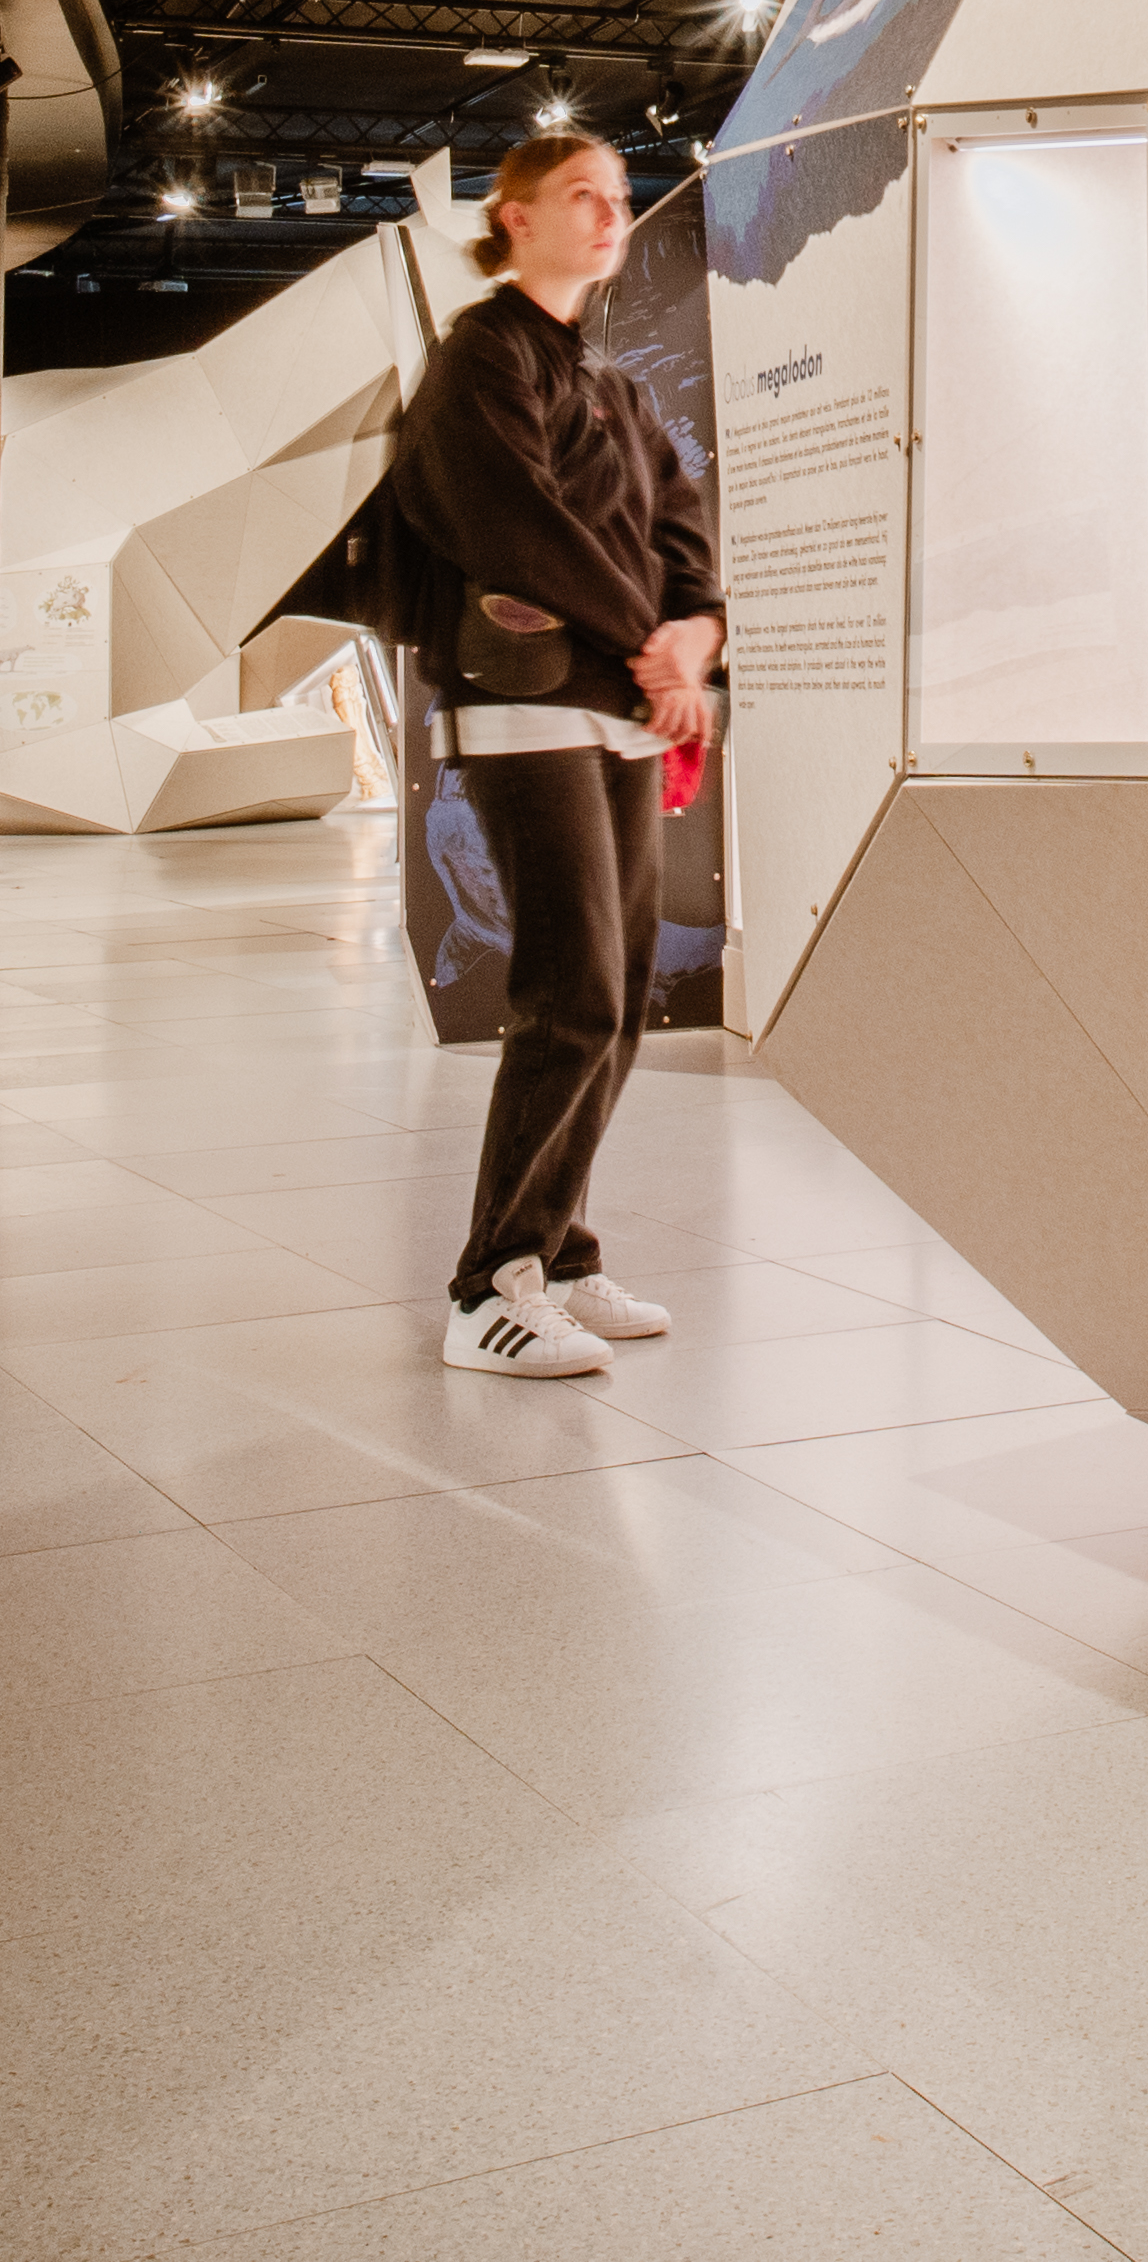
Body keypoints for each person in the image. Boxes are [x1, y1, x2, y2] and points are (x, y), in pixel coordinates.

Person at [402, 130, 718, 1375]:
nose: (606, 215)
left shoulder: (620, 390)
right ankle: (488, 1289)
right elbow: (510, 519)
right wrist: (650, 635)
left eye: (619, 199)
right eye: (578, 196)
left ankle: (558, 1253)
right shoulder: (482, 354)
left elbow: (680, 528)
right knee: (570, 992)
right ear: (515, 216)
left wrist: (689, 635)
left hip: (617, 715)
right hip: (523, 707)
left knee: (617, 993)